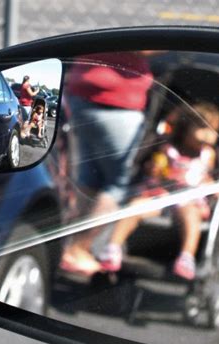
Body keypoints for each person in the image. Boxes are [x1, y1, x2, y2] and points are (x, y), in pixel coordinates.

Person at [98, 101, 219, 280]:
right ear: (186, 128)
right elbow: (153, 170)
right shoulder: (168, 149)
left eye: (213, 130)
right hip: (160, 194)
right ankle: (113, 247)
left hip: (188, 200)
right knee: (135, 206)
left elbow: (208, 176)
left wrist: (211, 185)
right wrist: (155, 169)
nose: (208, 135)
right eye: (202, 128)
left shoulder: (208, 155)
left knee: (191, 216)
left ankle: (186, 257)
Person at [59, 51, 155, 276]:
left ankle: (68, 247)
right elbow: (145, 47)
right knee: (117, 185)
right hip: (115, 102)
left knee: (90, 178)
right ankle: (78, 249)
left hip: (82, 94)